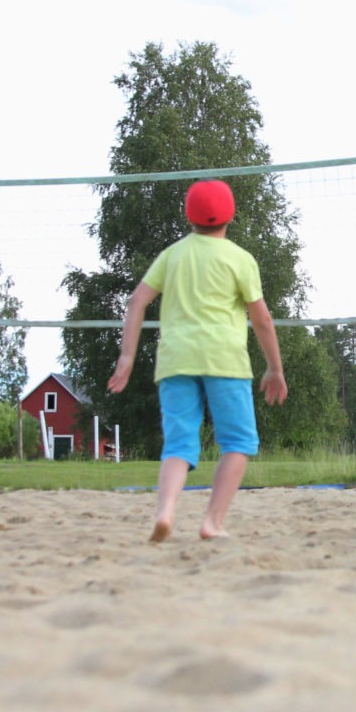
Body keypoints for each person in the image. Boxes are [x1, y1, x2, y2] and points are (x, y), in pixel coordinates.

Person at [107, 179, 288, 542]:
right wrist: (275, 368)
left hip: (176, 360)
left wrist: (127, 356)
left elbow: (137, 301)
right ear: (230, 215)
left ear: (188, 215)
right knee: (238, 443)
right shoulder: (240, 259)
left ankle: (166, 511)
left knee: (178, 444)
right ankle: (212, 522)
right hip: (225, 360)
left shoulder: (172, 255)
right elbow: (262, 320)